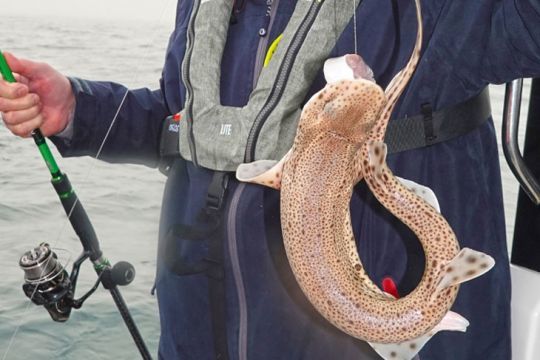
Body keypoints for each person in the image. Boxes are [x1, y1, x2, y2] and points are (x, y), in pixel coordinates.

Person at [1, 1, 539, 359]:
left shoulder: (430, 10)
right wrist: (77, 108)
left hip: (359, 338)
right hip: (199, 327)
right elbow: (184, 123)